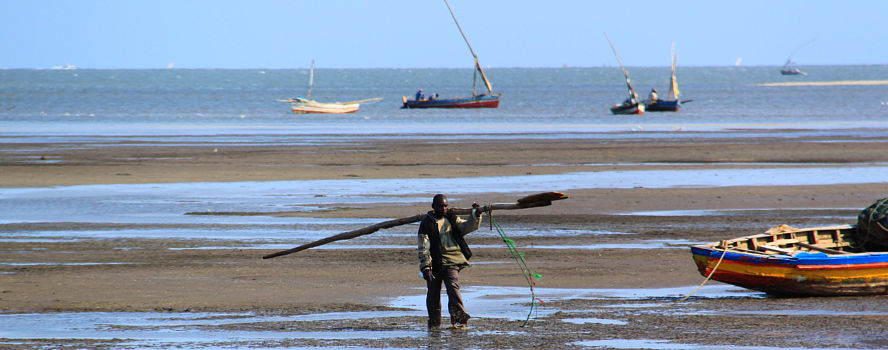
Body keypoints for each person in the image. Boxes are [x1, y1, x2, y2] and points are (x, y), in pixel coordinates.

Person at [417, 194, 483, 330]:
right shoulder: (426, 223)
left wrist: (476, 214)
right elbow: (423, 246)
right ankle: (434, 324)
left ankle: (459, 321)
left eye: (446, 206)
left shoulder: (452, 218)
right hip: (434, 263)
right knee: (433, 294)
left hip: (452, 261)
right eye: (441, 206)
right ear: (433, 207)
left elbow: (467, 226)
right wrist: (426, 267)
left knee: (453, 289)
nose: (444, 208)